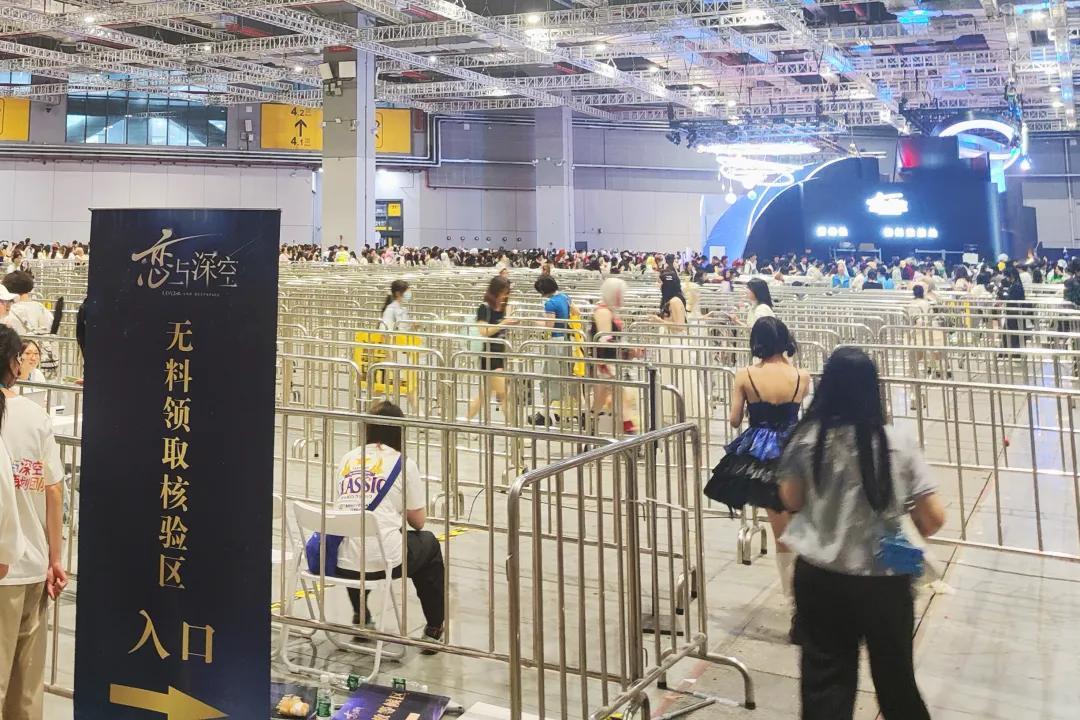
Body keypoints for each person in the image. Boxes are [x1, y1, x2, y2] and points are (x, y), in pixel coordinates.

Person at [777, 347, 944, 720]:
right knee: (896, 681)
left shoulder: (806, 439)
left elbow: (791, 499)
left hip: (820, 573)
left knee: (825, 686)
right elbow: (933, 518)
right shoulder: (898, 442)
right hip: (885, 578)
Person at [706, 318, 810, 628]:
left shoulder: (745, 375)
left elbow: (734, 419)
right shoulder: (801, 376)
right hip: (795, 450)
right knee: (802, 526)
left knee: (781, 536)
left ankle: (794, 603)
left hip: (762, 456)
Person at [333, 401, 444, 650]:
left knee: (356, 537)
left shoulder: (347, 459)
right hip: (384, 560)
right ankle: (434, 627)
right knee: (429, 544)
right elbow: (418, 522)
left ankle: (361, 615)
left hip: (343, 563)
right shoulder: (404, 463)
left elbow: (340, 508)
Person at [0, 324, 66, 718]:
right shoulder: (34, 416)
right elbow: (53, 489)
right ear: (15, 364)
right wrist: (55, 558)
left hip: (6, 567)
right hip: (33, 564)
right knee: (26, 690)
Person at [589, 277, 641, 434]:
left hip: (610, 361)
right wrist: (627, 349)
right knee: (615, 396)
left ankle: (592, 428)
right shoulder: (603, 312)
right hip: (606, 362)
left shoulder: (607, 310)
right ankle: (627, 430)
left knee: (609, 397)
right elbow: (605, 339)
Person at [466, 276, 518, 420]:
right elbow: (484, 331)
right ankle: (514, 429)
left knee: (484, 395)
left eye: (507, 293)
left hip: (500, 354)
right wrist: (503, 324)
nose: (505, 296)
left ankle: (463, 423)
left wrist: (509, 320)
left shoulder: (505, 307)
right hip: (489, 355)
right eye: (502, 293)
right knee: (503, 394)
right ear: (495, 292)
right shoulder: (484, 308)